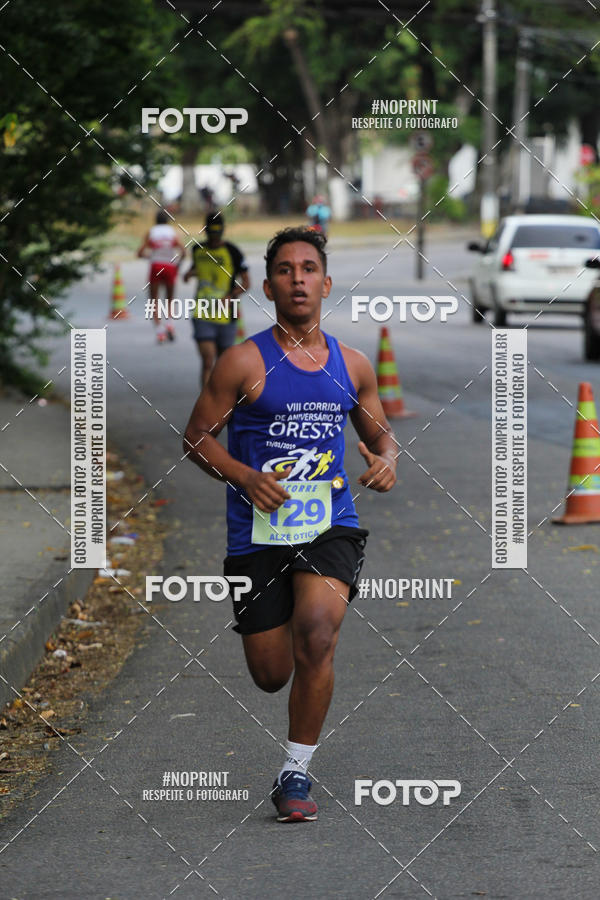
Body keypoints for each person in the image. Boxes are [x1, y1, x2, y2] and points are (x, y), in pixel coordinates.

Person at [183, 226, 397, 823]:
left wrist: (387, 461)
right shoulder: (242, 362)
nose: (297, 279)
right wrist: (244, 477)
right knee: (271, 673)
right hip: (257, 531)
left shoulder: (353, 366)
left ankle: (295, 772)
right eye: (285, 270)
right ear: (269, 286)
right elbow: (196, 437)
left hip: (330, 521)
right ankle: (288, 727)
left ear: (326, 284)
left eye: (308, 269)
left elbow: (381, 436)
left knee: (319, 634)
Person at [183, 213, 250, 387]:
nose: (214, 237)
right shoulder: (197, 250)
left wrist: (230, 296)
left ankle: (222, 399)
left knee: (223, 364)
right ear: (205, 231)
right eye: (211, 233)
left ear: (223, 231)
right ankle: (206, 399)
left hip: (227, 314)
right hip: (202, 312)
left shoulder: (233, 252)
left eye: (217, 233)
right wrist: (189, 274)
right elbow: (197, 268)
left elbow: (246, 283)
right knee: (208, 360)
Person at [137, 210, 185, 343]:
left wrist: (151, 257)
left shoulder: (151, 232)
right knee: (170, 299)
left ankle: (160, 332)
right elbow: (183, 251)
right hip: (170, 266)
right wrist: (178, 264)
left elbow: (140, 253)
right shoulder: (172, 232)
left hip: (156, 266)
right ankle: (169, 324)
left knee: (154, 300)